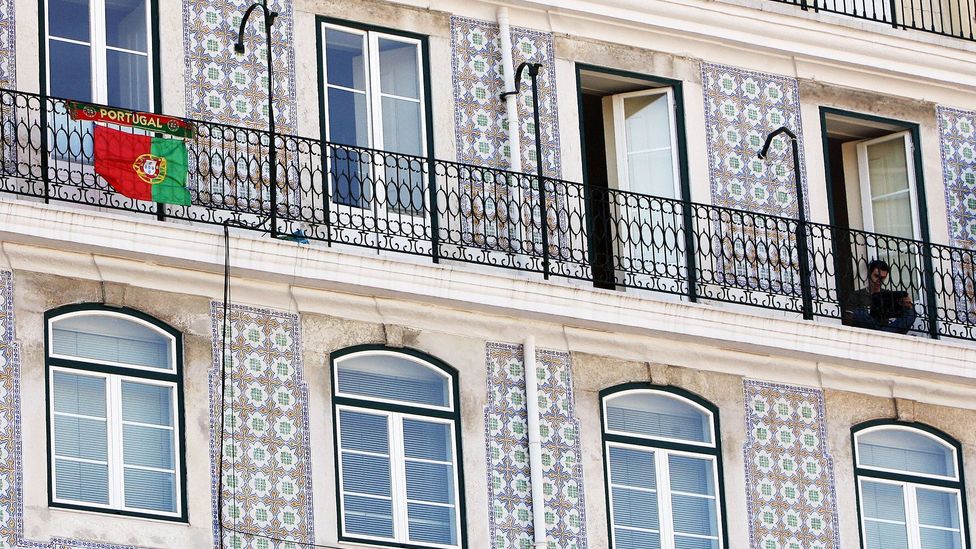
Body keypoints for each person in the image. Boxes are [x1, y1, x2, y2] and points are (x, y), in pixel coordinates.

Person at [846, 259, 917, 334]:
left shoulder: (889, 295)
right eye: (876, 276)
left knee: (911, 312)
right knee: (859, 312)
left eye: (883, 278)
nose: (879, 280)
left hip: (886, 329)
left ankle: (884, 332)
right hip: (868, 330)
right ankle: (884, 332)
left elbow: (908, 314)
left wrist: (907, 304)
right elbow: (847, 318)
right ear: (869, 274)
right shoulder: (857, 295)